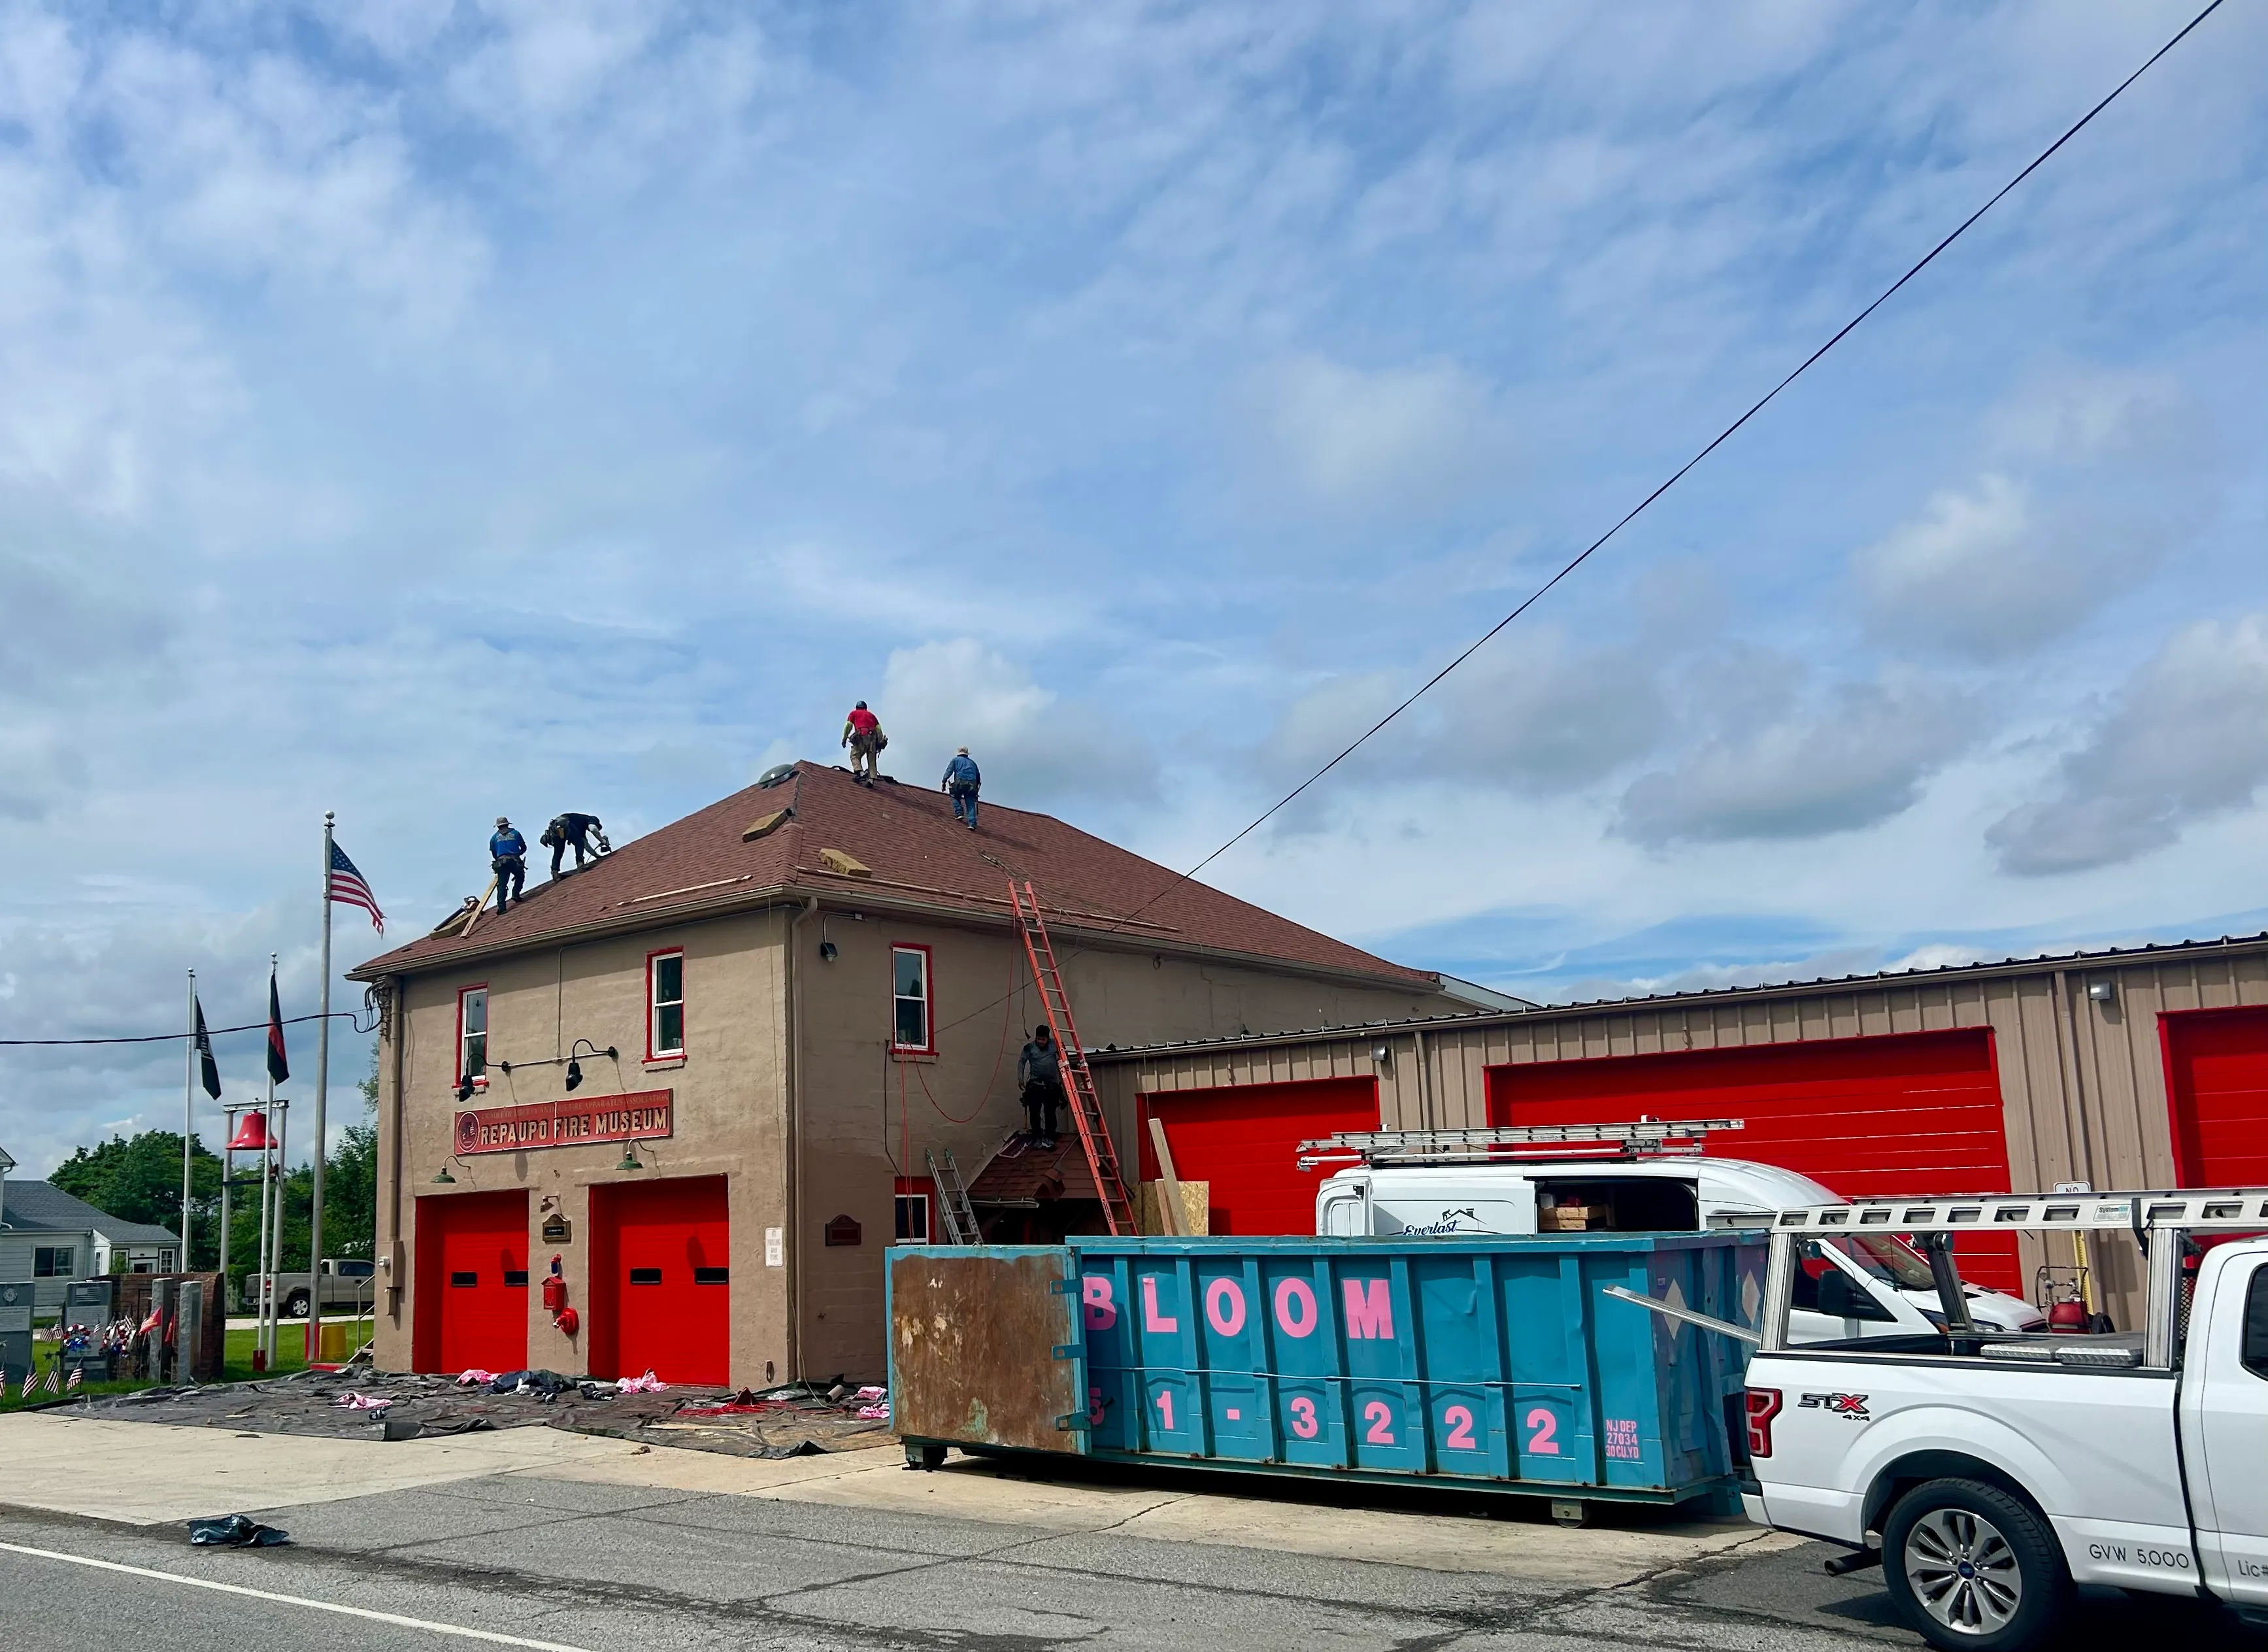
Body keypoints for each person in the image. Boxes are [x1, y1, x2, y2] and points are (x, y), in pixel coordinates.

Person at [1018, 1024, 1065, 1146]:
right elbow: (1022, 1063)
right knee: (1034, 1112)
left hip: (1051, 1086)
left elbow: (1064, 1058)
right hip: (1036, 1085)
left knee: (1050, 1112)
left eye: (1043, 1039)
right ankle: (1037, 1136)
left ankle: (1049, 1136)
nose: (1040, 1042)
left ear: (1048, 1038)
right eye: (1038, 1039)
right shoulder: (1030, 1048)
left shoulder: (1054, 1045)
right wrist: (1021, 1079)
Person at [541, 812, 607, 877]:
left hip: (557, 828)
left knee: (559, 851)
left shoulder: (580, 828)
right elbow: (593, 829)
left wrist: (596, 856)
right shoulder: (591, 819)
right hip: (565, 825)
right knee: (579, 843)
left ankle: (555, 873)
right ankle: (580, 865)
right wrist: (602, 840)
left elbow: (586, 845)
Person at [841, 701, 885, 784]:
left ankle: (861, 773)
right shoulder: (872, 716)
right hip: (873, 739)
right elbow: (879, 730)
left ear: (857, 707)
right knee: (872, 761)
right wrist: (879, 742)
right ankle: (871, 780)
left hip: (861, 736)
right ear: (866, 708)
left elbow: (848, 726)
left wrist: (845, 738)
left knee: (855, 756)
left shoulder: (854, 713)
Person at [490, 817, 527, 911]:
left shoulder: (494, 838)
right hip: (514, 861)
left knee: (502, 885)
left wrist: (500, 859)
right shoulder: (516, 834)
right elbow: (523, 847)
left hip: (501, 863)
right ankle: (515, 894)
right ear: (507, 825)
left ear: (498, 827)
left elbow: (494, 853)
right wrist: (518, 855)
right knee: (520, 876)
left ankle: (502, 908)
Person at [941, 747, 981, 830]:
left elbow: (949, 771)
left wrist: (944, 782)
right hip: (972, 785)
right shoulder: (973, 763)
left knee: (954, 795)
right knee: (971, 803)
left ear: (958, 753)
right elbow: (978, 777)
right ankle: (972, 824)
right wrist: (977, 788)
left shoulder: (956, 760)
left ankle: (959, 813)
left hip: (960, 782)